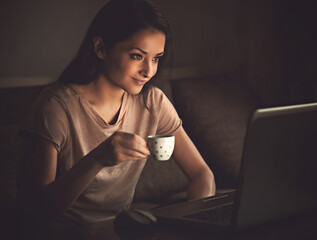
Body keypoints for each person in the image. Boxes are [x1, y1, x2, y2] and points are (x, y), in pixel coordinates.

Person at [17, 0, 215, 227]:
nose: (148, 71)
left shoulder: (153, 102)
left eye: (156, 58)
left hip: (120, 231)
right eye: (137, 56)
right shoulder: (55, 107)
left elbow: (202, 174)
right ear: (100, 48)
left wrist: (198, 225)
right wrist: (98, 159)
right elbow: (33, 210)